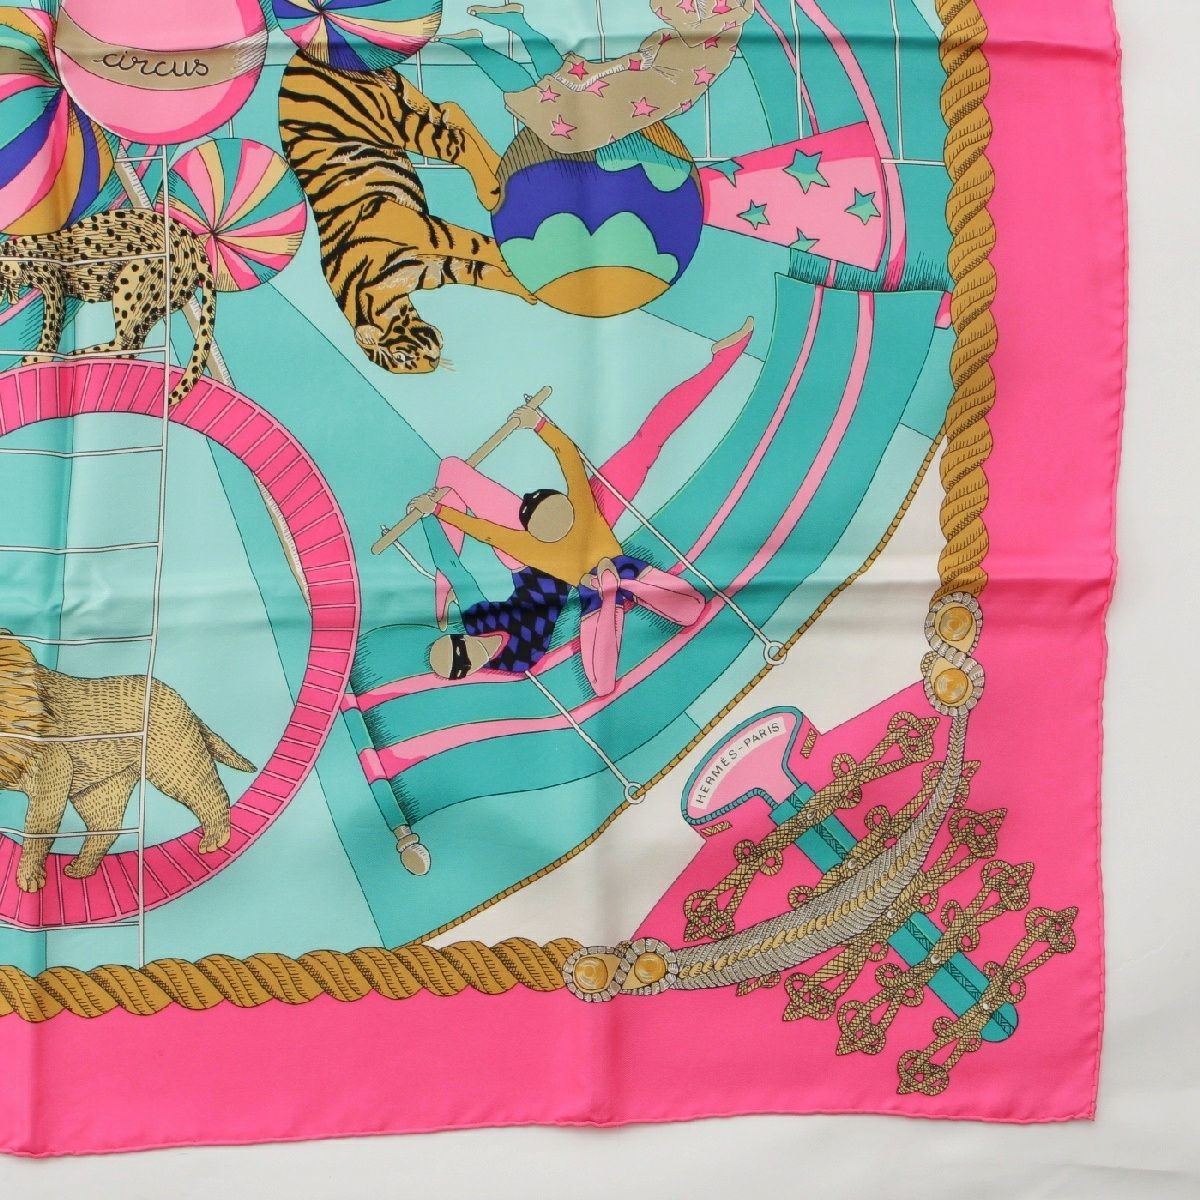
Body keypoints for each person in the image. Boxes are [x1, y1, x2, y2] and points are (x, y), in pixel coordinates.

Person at [409, 316, 755, 694]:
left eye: (458, 648)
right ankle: (617, 586)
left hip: (554, 554)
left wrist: (437, 523)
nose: (468, 652)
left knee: (646, 442)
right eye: (462, 662)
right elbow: (490, 522)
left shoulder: (538, 539)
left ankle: (618, 587)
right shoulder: (512, 657)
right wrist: (438, 523)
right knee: (646, 443)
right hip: (573, 566)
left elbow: (482, 538)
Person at [439, 1, 755, 153]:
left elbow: (684, 33)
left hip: (653, 87)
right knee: (554, 88)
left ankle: (489, 40)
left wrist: (606, 70)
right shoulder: (716, 23)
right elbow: (661, 44)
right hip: (650, 84)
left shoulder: (721, 23)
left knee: (554, 90)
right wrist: (605, 69)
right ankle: (492, 38)